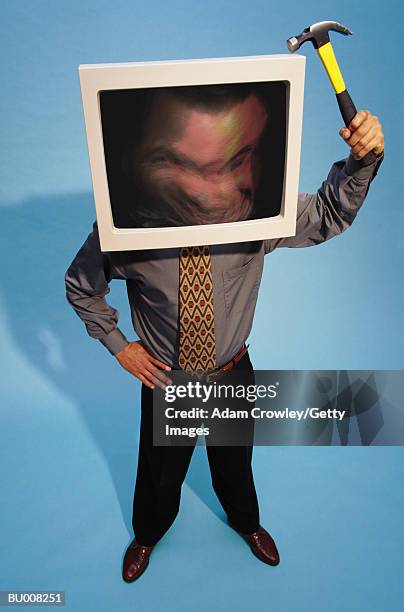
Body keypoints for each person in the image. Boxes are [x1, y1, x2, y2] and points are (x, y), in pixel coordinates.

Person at [65, 105, 384, 582]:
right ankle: (148, 533)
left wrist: (363, 159)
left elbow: (329, 211)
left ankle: (246, 523)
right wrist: (119, 345)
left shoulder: (256, 212)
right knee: (159, 474)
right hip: (167, 380)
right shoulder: (122, 229)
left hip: (232, 370)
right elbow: (80, 285)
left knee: (235, 465)